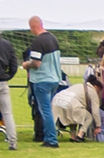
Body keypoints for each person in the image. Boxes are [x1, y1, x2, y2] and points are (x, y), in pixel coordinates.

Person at [22, 15, 64, 148]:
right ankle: (48, 136)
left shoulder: (38, 42)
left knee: (45, 110)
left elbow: (36, 63)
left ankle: (51, 139)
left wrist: (25, 65)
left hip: (42, 80)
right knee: (48, 110)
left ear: (33, 26)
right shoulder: (53, 38)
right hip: (54, 79)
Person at [0, 34, 18, 150]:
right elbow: (14, 65)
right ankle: (12, 142)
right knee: (7, 113)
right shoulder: (7, 44)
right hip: (2, 82)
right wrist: (8, 76)